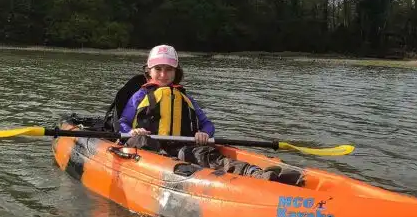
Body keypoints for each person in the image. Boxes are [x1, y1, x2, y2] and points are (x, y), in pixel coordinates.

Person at [117, 44, 302, 184]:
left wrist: (203, 133)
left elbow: (207, 124)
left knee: (208, 155)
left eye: (169, 69)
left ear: (176, 71)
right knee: (141, 141)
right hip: (148, 147)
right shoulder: (140, 95)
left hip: (181, 147)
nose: (163, 75)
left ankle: (259, 175)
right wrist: (132, 132)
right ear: (149, 70)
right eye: (158, 69)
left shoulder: (184, 97)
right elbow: (123, 122)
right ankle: (176, 170)